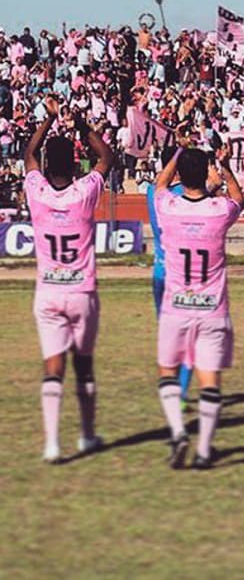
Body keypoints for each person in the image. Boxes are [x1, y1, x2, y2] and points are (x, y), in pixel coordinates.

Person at [24, 96, 113, 463]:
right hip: (81, 291)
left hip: (48, 292)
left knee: (53, 366)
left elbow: (28, 154)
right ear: (75, 164)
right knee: (84, 366)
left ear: (47, 166)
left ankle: (52, 443)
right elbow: (107, 158)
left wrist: (48, 119)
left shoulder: (36, 191)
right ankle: (87, 435)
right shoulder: (83, 193)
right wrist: (79, 126)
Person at [153, 144, 244, 469]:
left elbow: (159, 185)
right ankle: (204, 450)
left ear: (180, 173)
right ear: (207, 172)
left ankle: (178, 432)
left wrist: (177, 155)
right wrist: (226, 167)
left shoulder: (169, 206)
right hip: (212, 309)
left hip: (176, 307)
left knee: (167, 372)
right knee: (210, 380)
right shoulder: (219, 210)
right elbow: (239, 198)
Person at [146, 148, 193, 411]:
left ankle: (170, 385)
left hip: (159, 272)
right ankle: (181, 392)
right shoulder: (181, 196)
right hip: (181, 275)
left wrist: (178, 151)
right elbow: (214, 183)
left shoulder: (153, 193)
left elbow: (160, 183)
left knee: (168, 335)